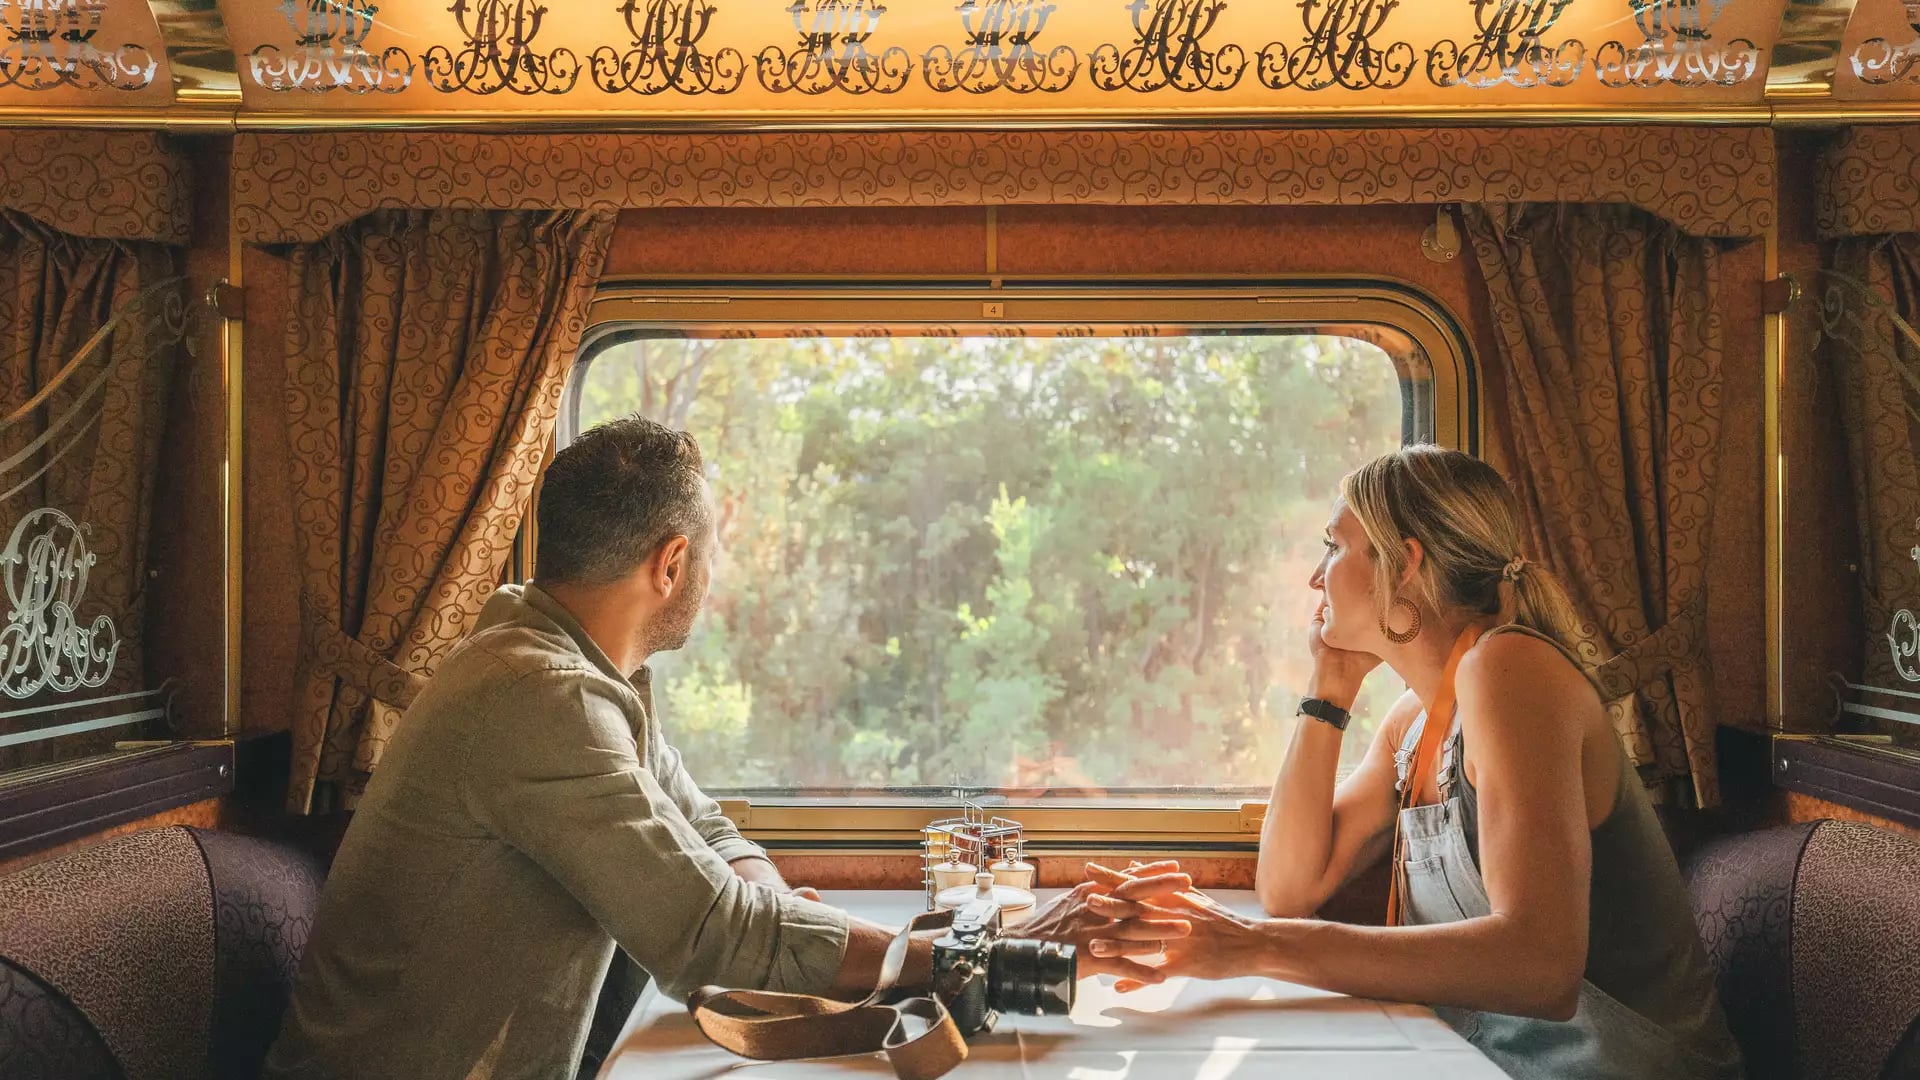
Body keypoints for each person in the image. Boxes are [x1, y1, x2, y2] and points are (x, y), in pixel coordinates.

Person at [266, 415, 1188, 1080]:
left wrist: (776, 898)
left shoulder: (574, 666)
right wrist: (974, 958)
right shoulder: (536, 696)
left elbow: (700, 824)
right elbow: (708, 932)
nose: (712, 578)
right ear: (671, 563)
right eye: (710, 557)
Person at [1089, 446, 1742, 1080]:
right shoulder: (1414, 723)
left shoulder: (1511, 670)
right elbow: (1289, 888)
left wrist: (1252, 948)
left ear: (1404, 565)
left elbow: (1539, 966)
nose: (1317, 577)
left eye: (1335, 546)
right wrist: (1329, 690)